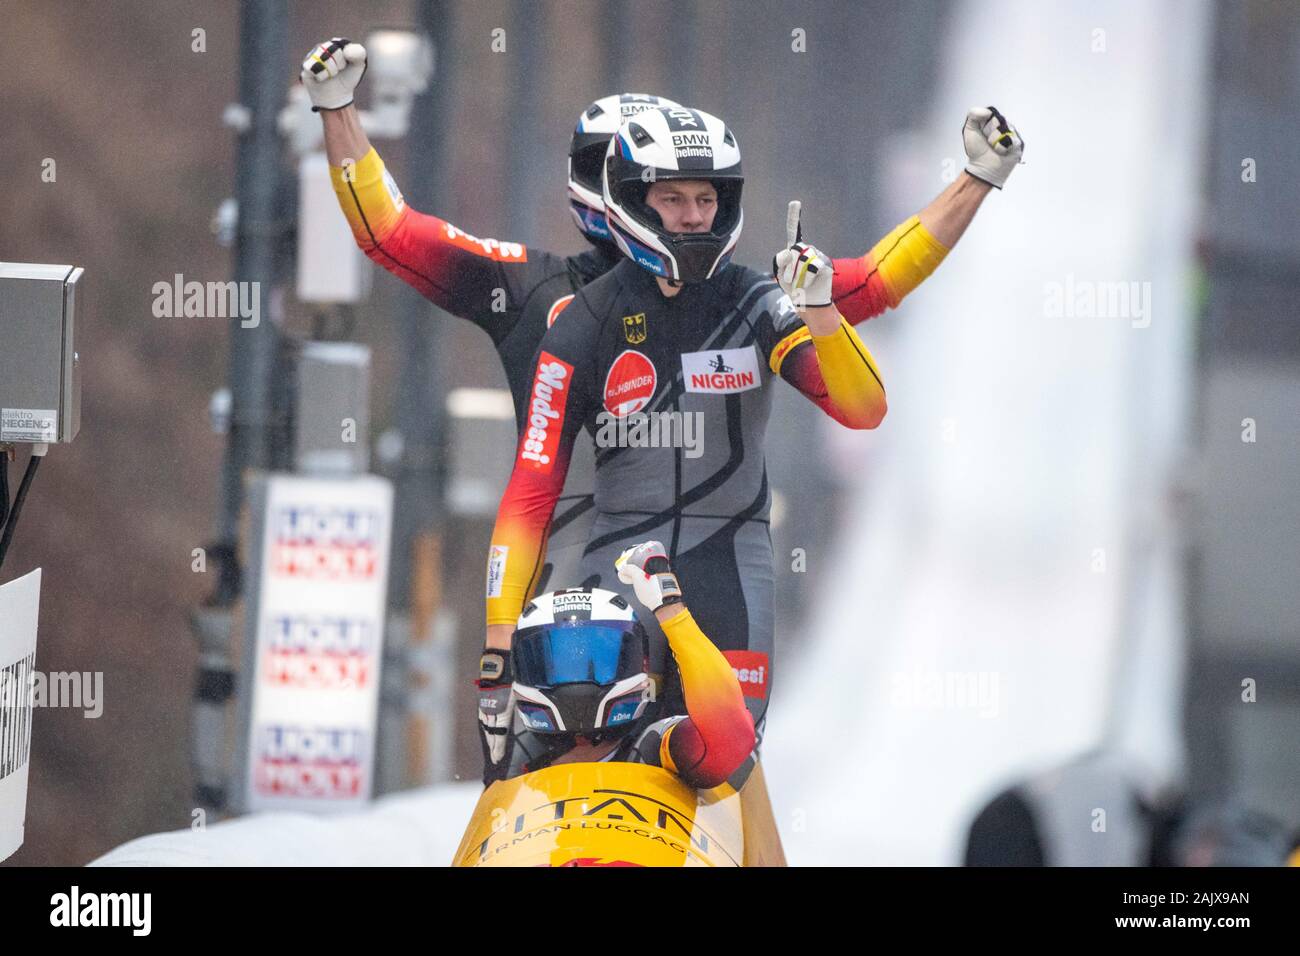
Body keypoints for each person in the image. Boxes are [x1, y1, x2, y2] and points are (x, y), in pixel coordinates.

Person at [299, 37, 1024, 594]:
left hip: (699, 572)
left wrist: (974, 181)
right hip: (570, 574)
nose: (680, 209)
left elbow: (865, 283)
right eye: (656, 188)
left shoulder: (741, 294)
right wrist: (336, 111)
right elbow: (393, 234)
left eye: (691, 189)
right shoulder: (530, 285)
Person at [483, 104, 897, 754]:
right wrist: (500, 637)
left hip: (730, 563)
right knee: (554, 730)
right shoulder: (583, 318)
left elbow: (863, 408)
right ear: (631, 200)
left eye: (706, 197)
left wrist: (820, 312)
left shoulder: (757, 302)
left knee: (722, 749)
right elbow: (533, 485)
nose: (693, 215)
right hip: (620, 561)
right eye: (672, 197)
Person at [477, 540, 755, 789]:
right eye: (561, 661)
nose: (577, 683)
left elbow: (728, 741)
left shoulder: (654, 746)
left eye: (597, 659)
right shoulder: (513, 754)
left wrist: (670, 611)